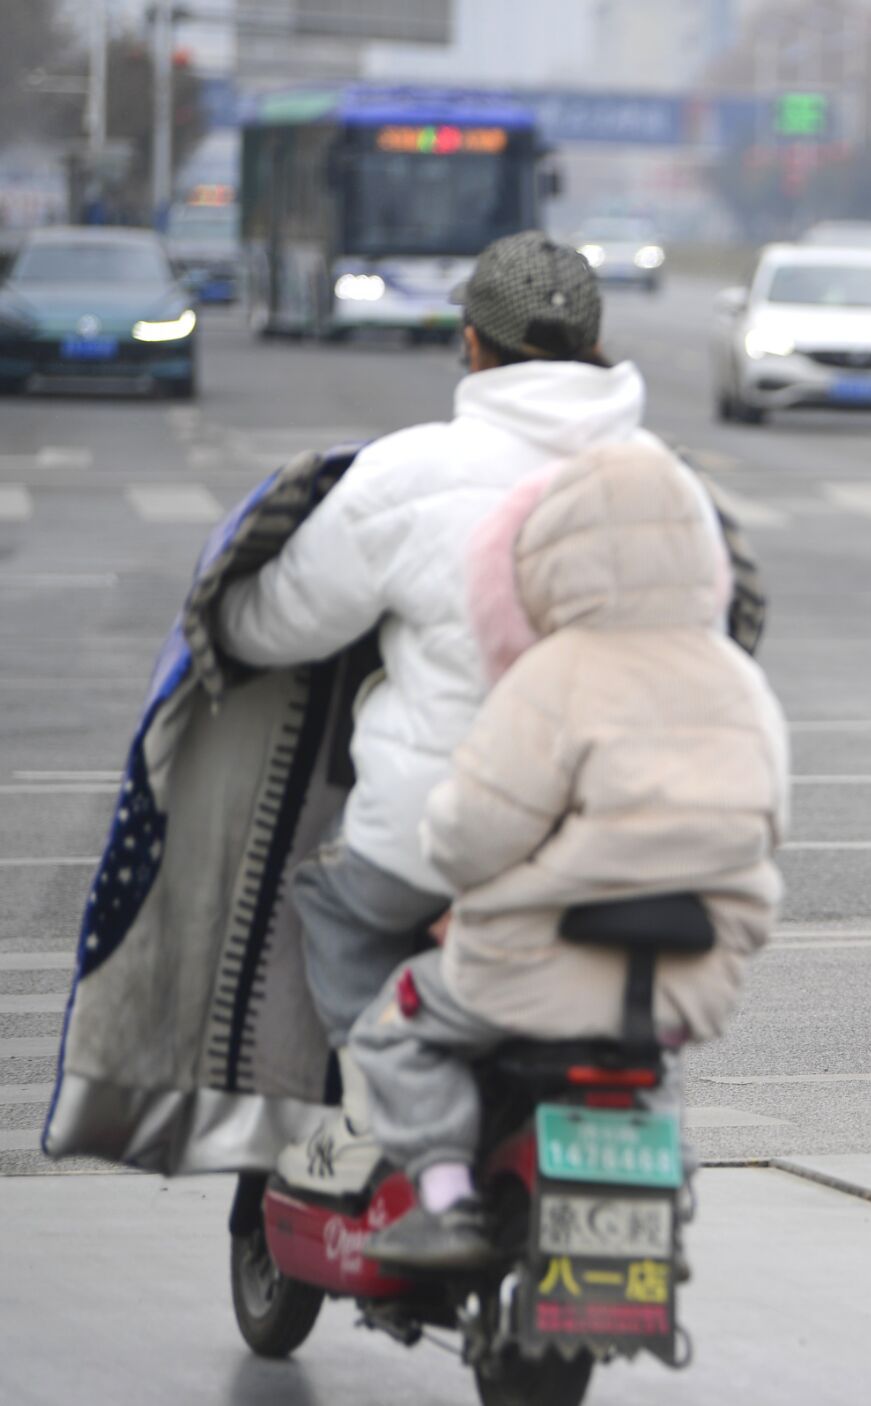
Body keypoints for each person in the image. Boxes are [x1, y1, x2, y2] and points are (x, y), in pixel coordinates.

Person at [215, 232, 649, 1195]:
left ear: (471, 343)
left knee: (337, 909)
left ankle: (379, 1123)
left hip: (439, 834)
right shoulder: (661, 479)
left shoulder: (411, 473)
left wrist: (221, 616)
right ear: (593, 342)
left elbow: (280, 622)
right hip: (627, 831)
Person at [354, 438, 788, 1270]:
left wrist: (448, 859)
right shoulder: (738, 679)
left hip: (533, 965)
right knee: (649, 1062)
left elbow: (472, 835)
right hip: (691, 971)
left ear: (548, 557)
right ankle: (661, 1206)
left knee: (397, 1027)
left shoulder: (553, 674)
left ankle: (445, 1201)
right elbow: (771, 821)